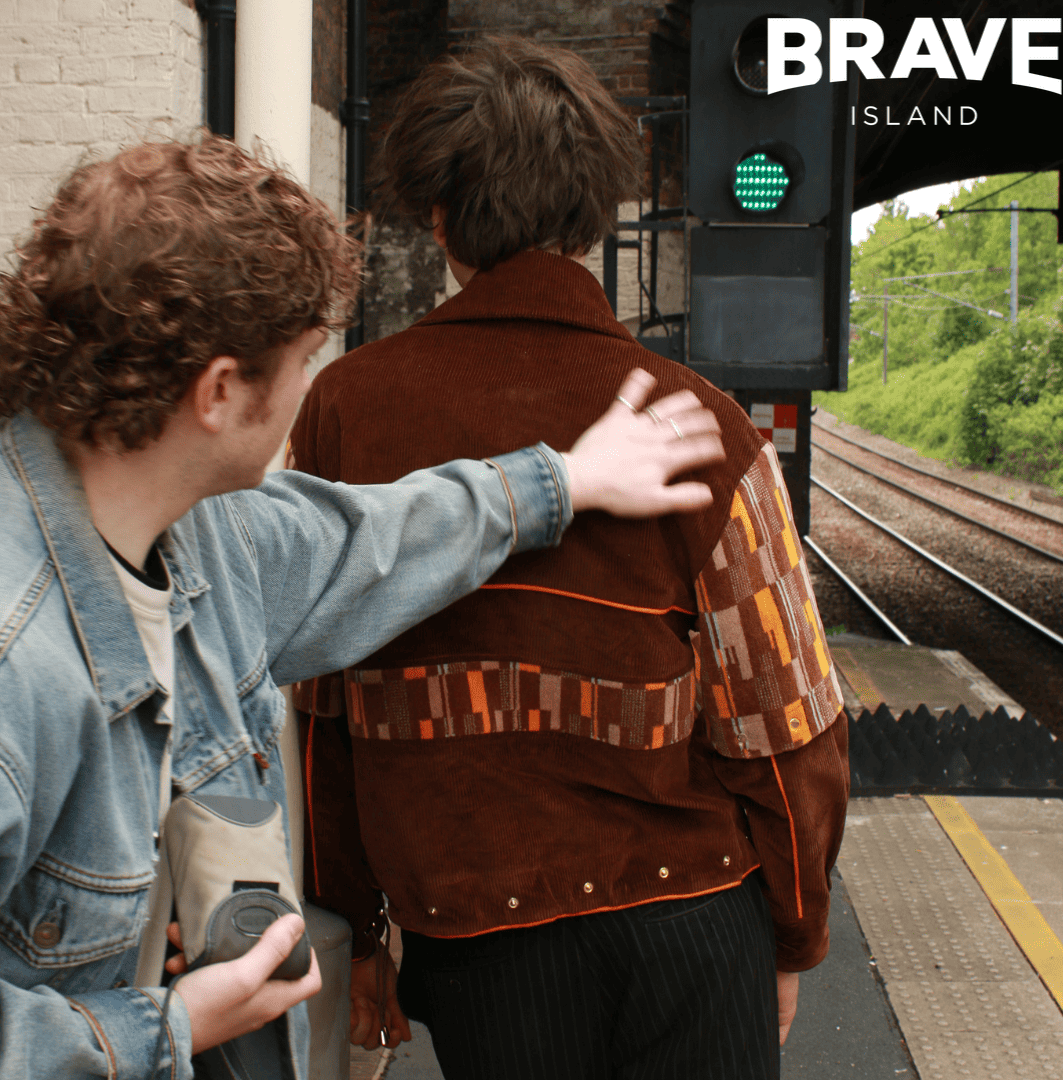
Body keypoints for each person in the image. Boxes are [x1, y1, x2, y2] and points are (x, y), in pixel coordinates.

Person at [0, 134, 726, 1080]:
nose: (313, 387)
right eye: (305, 359)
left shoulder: (205, 533)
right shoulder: (18, 662)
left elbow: (371, 539)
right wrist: (161, 1026)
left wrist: (567, 480)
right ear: (220, 391)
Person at [292, 36, 850, 1080]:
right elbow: (785, 724)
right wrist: (794, 933)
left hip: (472, 936)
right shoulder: (707, 426)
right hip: (694, 917)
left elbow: (323, 715)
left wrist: (357, 929)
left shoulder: (347, 410)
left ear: (441, 218)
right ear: (594, 222)